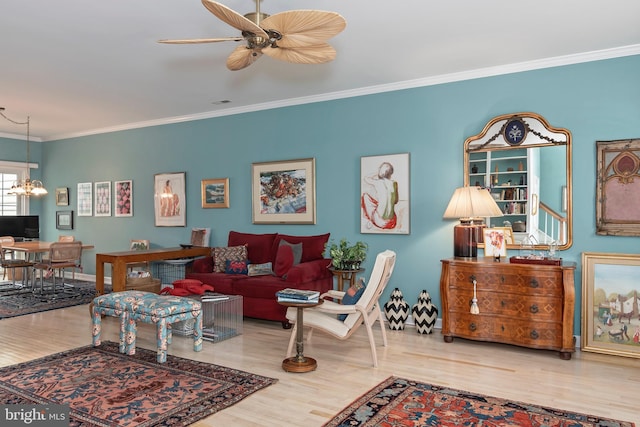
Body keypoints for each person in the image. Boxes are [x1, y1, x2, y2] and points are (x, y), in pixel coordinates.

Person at [361, 162, 399, 230]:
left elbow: (366, 178)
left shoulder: (377, 182)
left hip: (380, 222)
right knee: (378, 204)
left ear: (380, 171)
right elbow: (396, 201)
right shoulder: (394, 183)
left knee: (365, 196)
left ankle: (370, 220)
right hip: (392, 222)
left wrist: (376, 172)